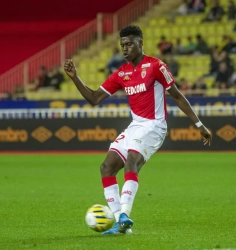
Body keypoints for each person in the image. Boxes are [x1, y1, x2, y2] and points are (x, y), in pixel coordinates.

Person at [64, 25, 212, 235]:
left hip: (154, 126)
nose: (125, 49)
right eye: (122, 45)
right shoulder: (122, 73)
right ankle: (119, 223)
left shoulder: (156, 66)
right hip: (135, 126)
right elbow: (94, 98)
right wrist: (75, 77)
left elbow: (177, 96)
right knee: (107, 167)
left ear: (140, 43)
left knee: (132, 161)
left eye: (129, 44)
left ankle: (124, 214)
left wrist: (199, 125)